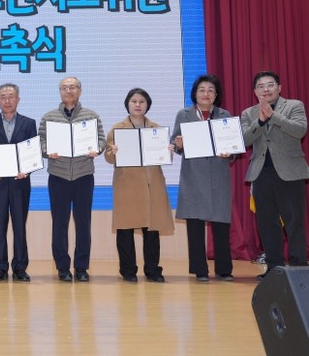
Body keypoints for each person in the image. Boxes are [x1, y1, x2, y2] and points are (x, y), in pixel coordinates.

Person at [241, 71, 309, 279]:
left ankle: (299, 268)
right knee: (267, 224)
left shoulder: (294, 105)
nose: (266, 89)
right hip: (261, 174)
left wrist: (273, 116)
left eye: (270, 85)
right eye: (261, 86)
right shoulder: (248, 113)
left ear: (279, 88)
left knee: (294, 222)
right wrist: (260, 121)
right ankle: (274, 269)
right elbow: (244, 140)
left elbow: (300, 130)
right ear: (255, 92)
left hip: (290, 173)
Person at [38, 77, 105, 282]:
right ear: (60, 91)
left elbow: (101, 140)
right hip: (58, 176)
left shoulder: (91, 115)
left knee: (83, 223)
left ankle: (82, 267)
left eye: (72, 87)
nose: (68, 91)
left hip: (84, 175)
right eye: (64, 88)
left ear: (80, 91)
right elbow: (41, 142)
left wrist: (98, 149)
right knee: (60, 223)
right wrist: (47, 151)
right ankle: (62, 267)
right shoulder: (49, 117)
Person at [104, 88, 174, 283]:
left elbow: (163, 157)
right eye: (134, 101)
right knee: (125, 229)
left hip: (152, 184)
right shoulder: (117, 129)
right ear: (127, 104)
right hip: (127, 185)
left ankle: (153, 270)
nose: (137, 105)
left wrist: (168, 151)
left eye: (142, 101)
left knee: (152, 229)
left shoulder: (156, 129)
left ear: (147, 105)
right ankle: (128, 270)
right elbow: (108, 157)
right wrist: (112, 152)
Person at [171, 74, 234, 282]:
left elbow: (232, 145)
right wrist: (178, 145)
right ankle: (200, 270)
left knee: (221, 226)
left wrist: (230, 152)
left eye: (210, 90)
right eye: (202, 90)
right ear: (195, 93)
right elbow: (175, 142)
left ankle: (224, 270)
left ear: (216, 94)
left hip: (218, 176)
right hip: (193, 176)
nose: (206, 94)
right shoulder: (184, 114)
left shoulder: (224, 115)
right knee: (195, 226)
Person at [0, 83, 37, 282]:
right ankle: (0, 268)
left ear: (18, 99)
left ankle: (20, 268)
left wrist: (27, 169)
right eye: (3, 97)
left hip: (21, 184)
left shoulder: (29, 123)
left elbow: (33, 152)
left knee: (20, 227)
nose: (7, 100)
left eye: (11, 96)